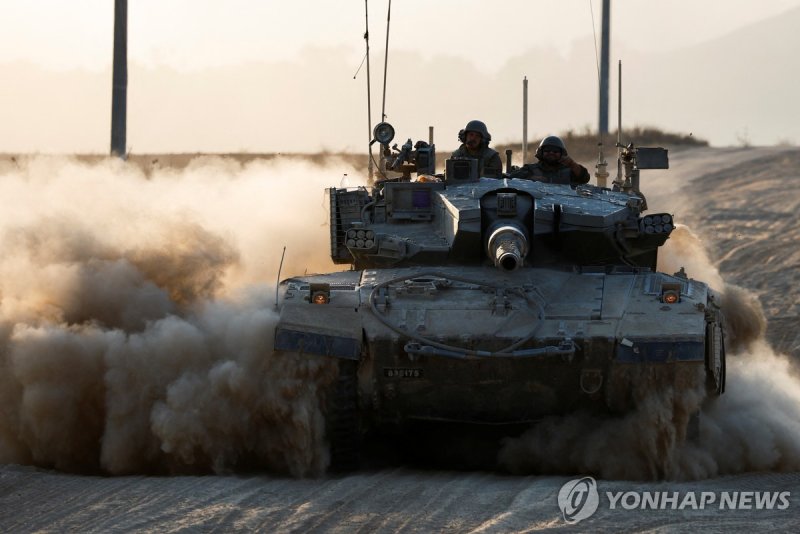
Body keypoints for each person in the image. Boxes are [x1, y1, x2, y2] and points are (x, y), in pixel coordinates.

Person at [510, 135, 590, 186]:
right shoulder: (531, 169)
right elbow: (511, 178)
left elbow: (585, 178)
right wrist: (530, 178)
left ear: (562, 154)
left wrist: (572, 164)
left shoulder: (568, 171)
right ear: (541, 152)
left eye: (555, 151)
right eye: (547, 150)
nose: (551, 153)